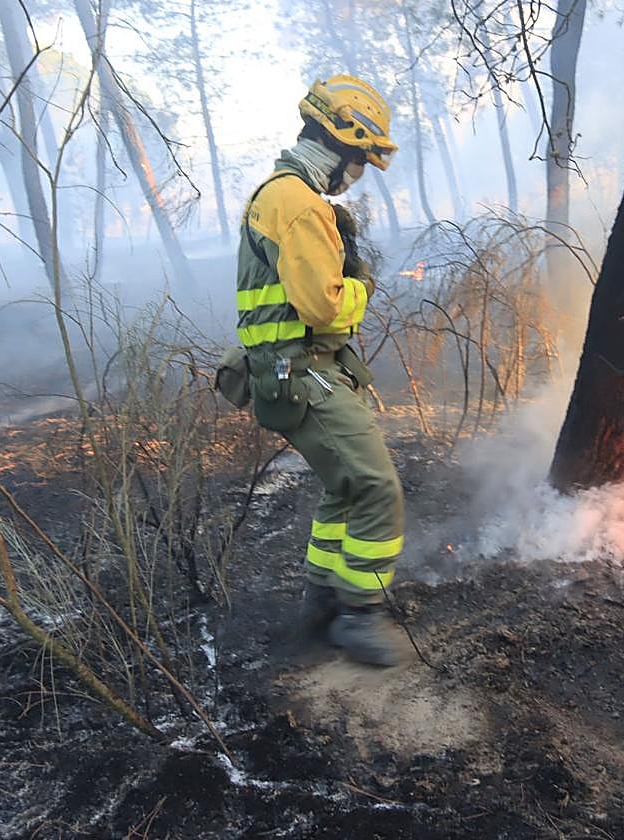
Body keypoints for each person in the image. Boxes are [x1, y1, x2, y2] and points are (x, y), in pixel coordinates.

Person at [235, 74, 409, 666]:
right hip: (302, 376)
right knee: (377, 488)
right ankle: (361, 614)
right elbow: (324, 307)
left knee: (344, 486)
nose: (357, 173)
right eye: (359, 159)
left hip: (298, 372)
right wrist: (362, 286)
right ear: (338, 144)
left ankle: (322, 600)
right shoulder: (297, 203)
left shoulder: (284, 195)